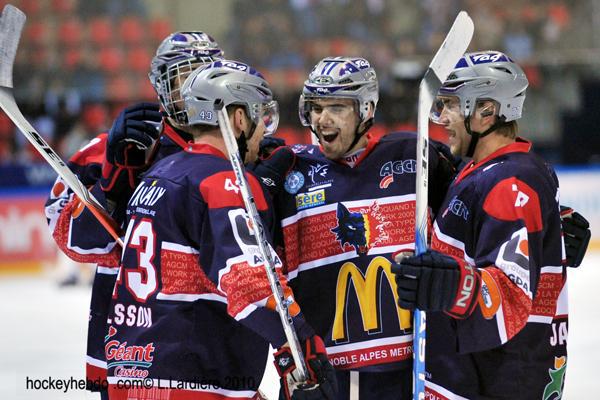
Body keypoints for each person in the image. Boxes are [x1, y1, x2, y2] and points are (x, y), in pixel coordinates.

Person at [104, 58, 335, 399]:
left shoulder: (158, 174)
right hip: (195, 378)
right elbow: (248, 279)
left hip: (130, 373)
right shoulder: (225, 181)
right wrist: (301, 342)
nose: (263, 132)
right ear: (239, 118)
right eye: (260, 117)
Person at [253, 56, 457, 399]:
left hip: (412, 369)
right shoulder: (288, 171)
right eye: (316, 107)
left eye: (337, 107)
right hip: (326, 376)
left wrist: (556, 216)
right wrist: (261, 184)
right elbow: (241, 243)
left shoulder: (415, 156)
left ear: (366, 110)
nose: (323, 118)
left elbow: (477, 192)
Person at [44, 31, 225, 398]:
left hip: (217, 350)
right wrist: (112, 182)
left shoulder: (239, 152)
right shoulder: (107, 149)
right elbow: (72, 239)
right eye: (183, 78)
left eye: (205, 75)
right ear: (161, 86)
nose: (194, 89)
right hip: (130, 356)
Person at [392, 51, 571, 399]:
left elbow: (509, 297)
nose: (441, 117)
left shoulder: (510, 181)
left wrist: (452, 284)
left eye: (451, 105)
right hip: (474, 371)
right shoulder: (488, 170)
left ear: (486, 110)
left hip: (500, 377)